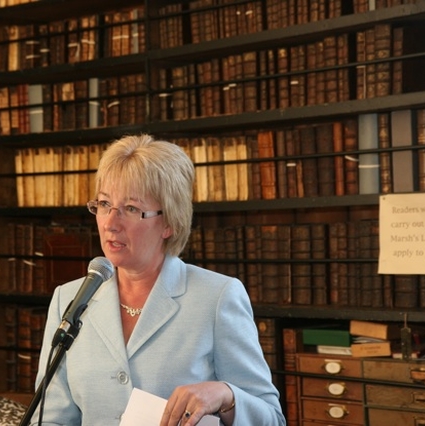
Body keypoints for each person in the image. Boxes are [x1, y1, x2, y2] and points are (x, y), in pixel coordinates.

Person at [31, 134, 285, 426]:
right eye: (103, 204)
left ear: (169, 223)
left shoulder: (217, 297)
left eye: (130, 209)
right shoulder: (70, 299)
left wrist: (227, 396)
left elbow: (272, 419)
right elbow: (51, 419)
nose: (110, 223)